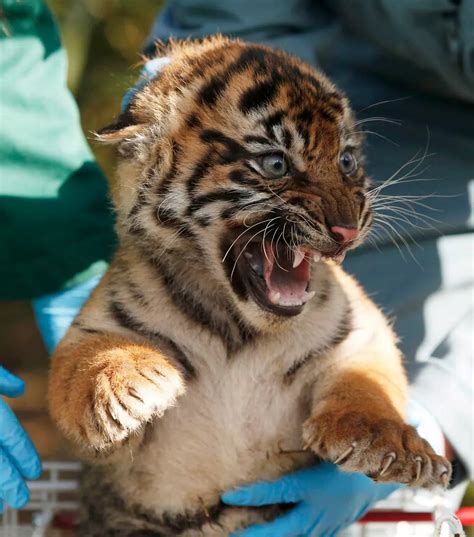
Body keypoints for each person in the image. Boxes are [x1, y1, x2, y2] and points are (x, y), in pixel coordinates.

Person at [0, 1, 472, 535]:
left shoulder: (328, 300)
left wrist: (402, 416)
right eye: (274, 166)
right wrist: (105, 373)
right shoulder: (142, 273)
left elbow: (363, 356)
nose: (344, 221)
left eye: (346, 163)